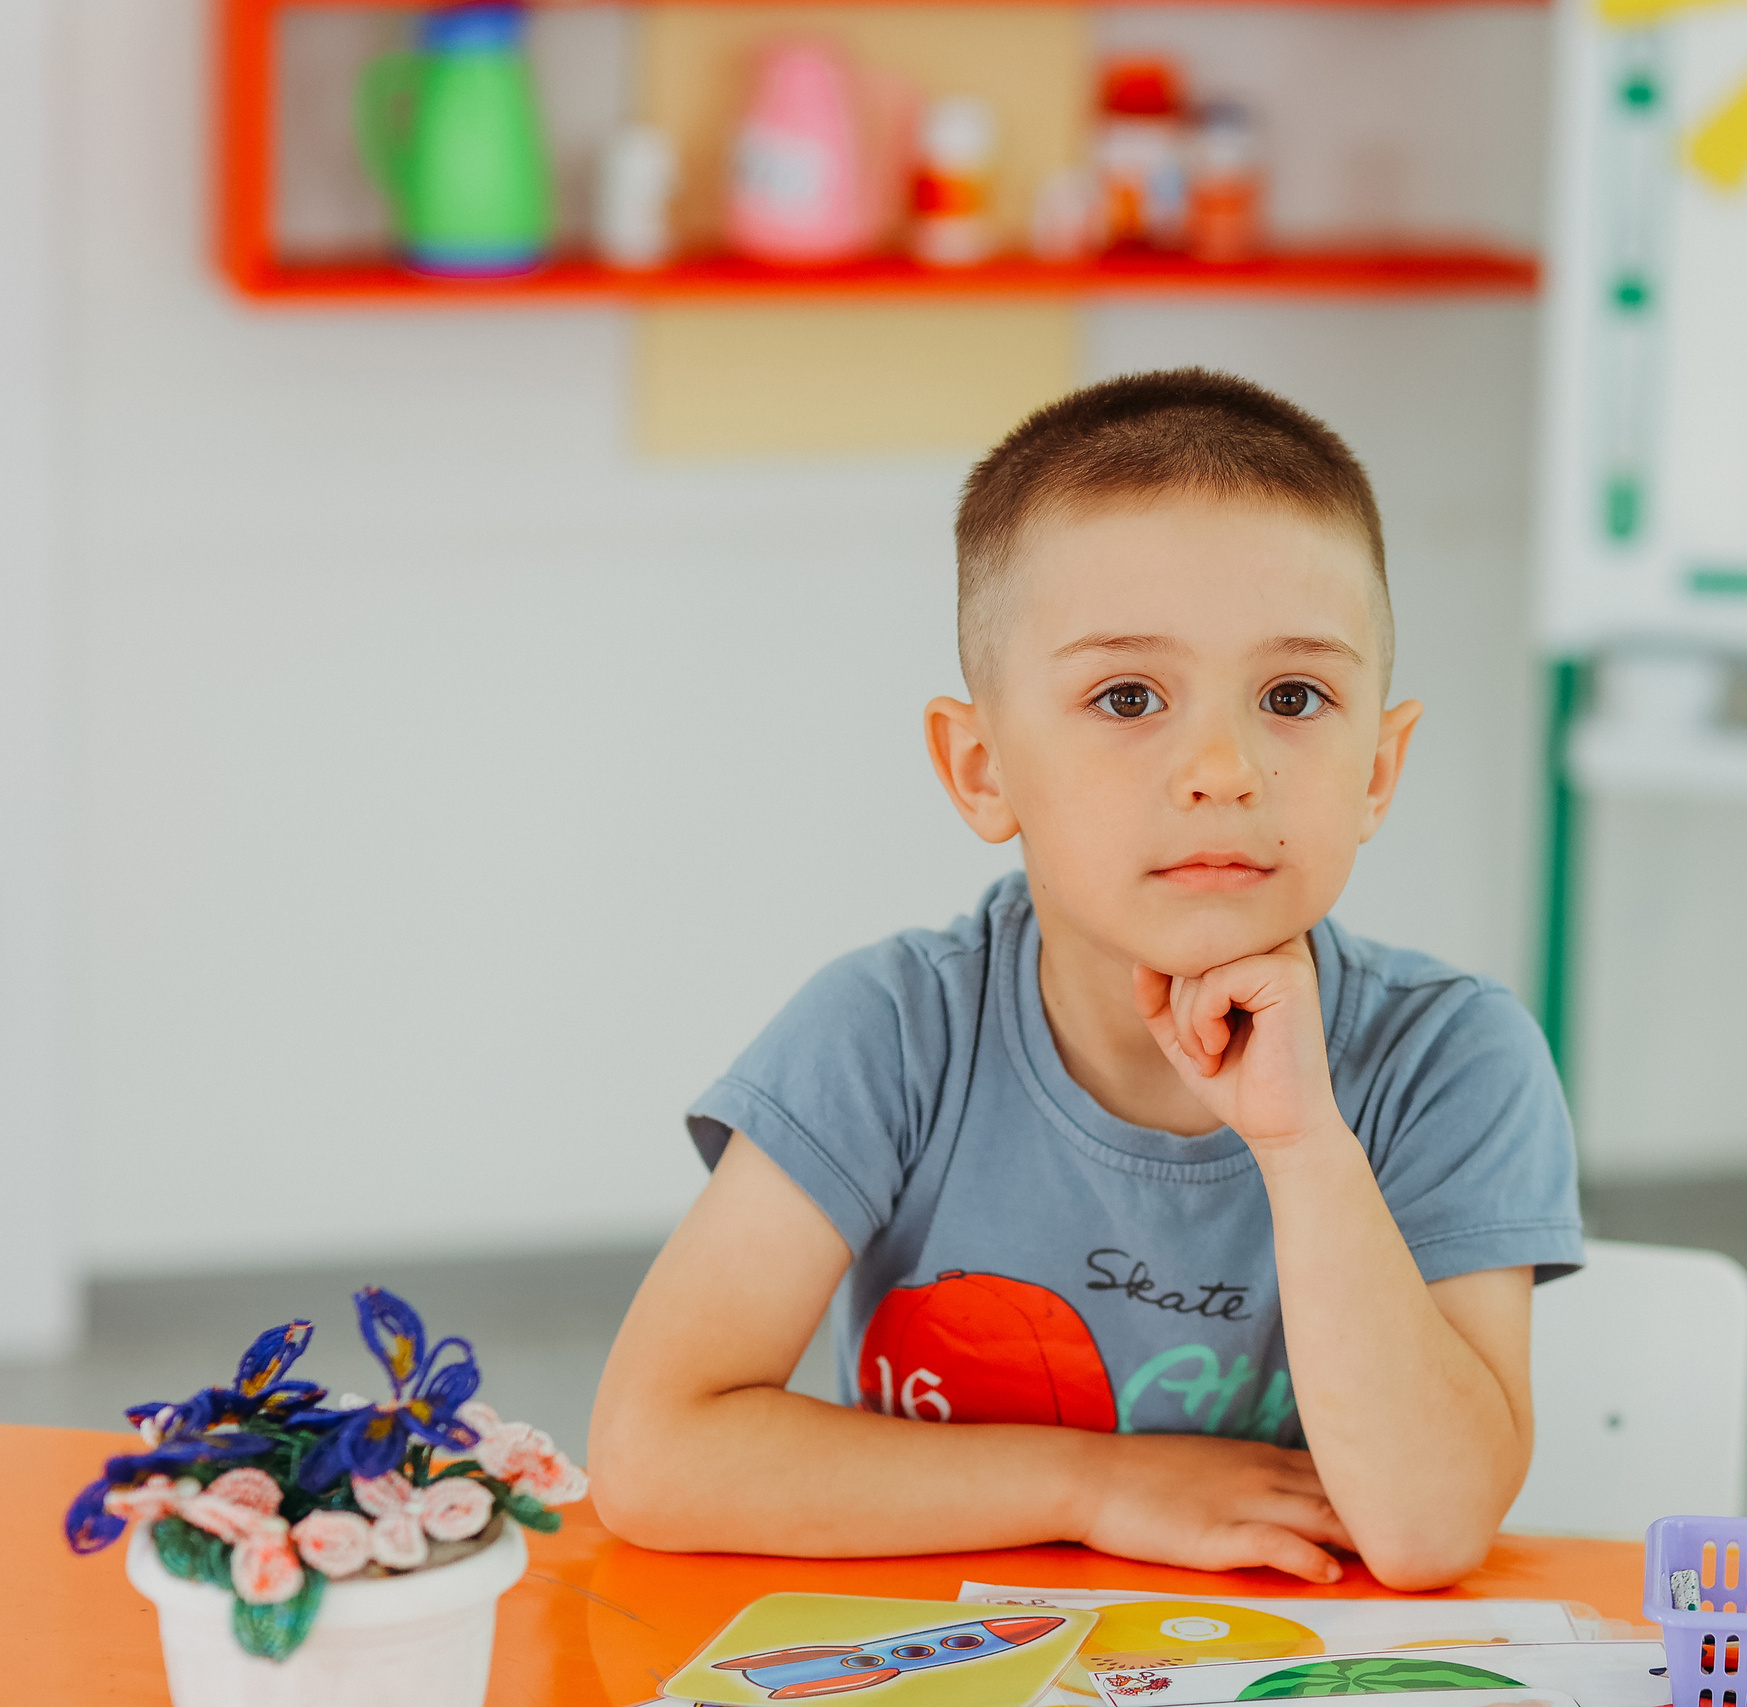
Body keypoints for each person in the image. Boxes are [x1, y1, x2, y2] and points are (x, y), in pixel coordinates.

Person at [589, 369, 1580, 1590]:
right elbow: (651, 1452)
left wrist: (1303, 1143)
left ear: (1378, 769)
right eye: (1126, 696)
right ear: (980, 767)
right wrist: (1094, 1486)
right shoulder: (888, 1032)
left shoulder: (1455, 1058)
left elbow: (1428, 1531)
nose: (1222, 767)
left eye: (1293, 696)